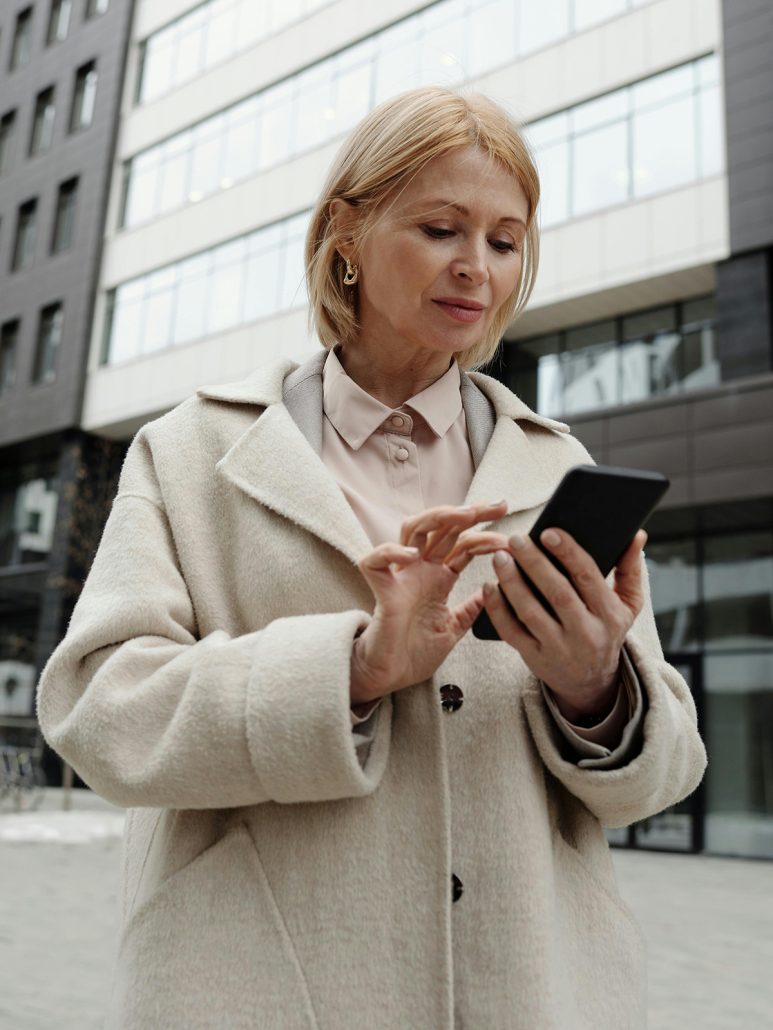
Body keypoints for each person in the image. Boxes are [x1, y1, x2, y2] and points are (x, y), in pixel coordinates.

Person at [37, 87, 706, 1029]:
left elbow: (661, 776)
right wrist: (354, 668)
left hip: (534, 993)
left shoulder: (558, 467)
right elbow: (97, 711)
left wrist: (596, 686)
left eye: (504, 242)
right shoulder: (190, 450)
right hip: (255, 987)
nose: (476, 268)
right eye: (440, 228)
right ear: (344, 236)